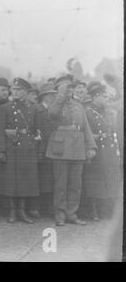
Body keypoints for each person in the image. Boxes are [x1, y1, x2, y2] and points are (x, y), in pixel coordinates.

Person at [46, 75, 96, 226]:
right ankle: (60, 215)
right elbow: (52, 114)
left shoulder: (78, 105)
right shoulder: (54, 102)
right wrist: (61, 95)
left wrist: (91, 146)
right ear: (59, 89)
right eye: (66, 87)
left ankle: (72, 214)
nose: (69, 90)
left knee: (76, 184)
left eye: (70, 87)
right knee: (61, 184)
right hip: (60, 148)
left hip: (77, 148)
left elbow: (85, 127)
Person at [0, 78, 40, 224]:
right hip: (12, 147)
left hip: (27, 147)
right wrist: (1, 150)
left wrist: (35, 140)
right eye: (13, 89)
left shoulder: (33, 108)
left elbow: (36, 129)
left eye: (19, 90)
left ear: (26, 92)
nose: (15, 92)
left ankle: (22, 210)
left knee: (26, 180)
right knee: (11, 180)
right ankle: (12, 211)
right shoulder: (5, 108)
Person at [83, 82, 122, 220]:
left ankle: (107, 210)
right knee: (96, 181)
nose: (107, 99)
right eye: (104, 97)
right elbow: (84, 132)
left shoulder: (108, 112)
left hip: (109, 150)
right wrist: (94, 138)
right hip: (97, 151)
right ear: (96, 97)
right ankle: (93, 211)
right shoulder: (88, 112)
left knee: (110, 179)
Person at [28, 83, 58, 218]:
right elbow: (30, 128)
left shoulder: (55, 110)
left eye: (54, 95)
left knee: (51, 179)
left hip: (53, 149)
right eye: (51, 95)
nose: (53, 97)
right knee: (38, 179)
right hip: (39, 149)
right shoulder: (35, 109)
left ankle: (48, 207)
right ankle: (35, 207)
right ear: (44, 96)